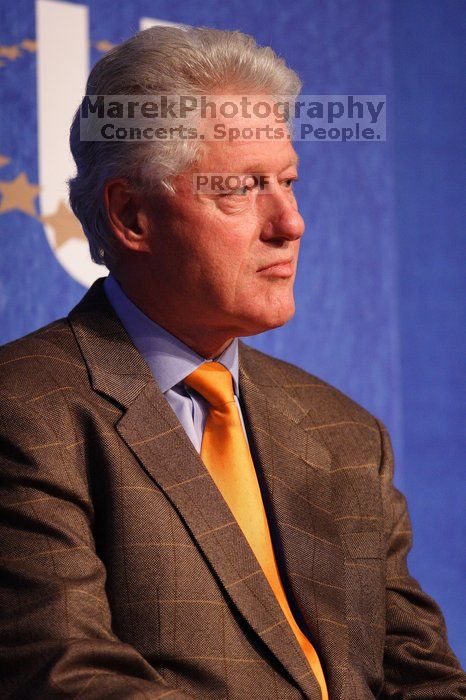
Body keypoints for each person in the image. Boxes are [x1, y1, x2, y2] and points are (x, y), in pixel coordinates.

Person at [0, 26, 463, 700]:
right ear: (131, 215)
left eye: (288, 181)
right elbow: (68, 677)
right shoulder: (26, 412)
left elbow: (423, 680)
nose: (291, 223)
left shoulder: (346, 435)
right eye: (243, 189)